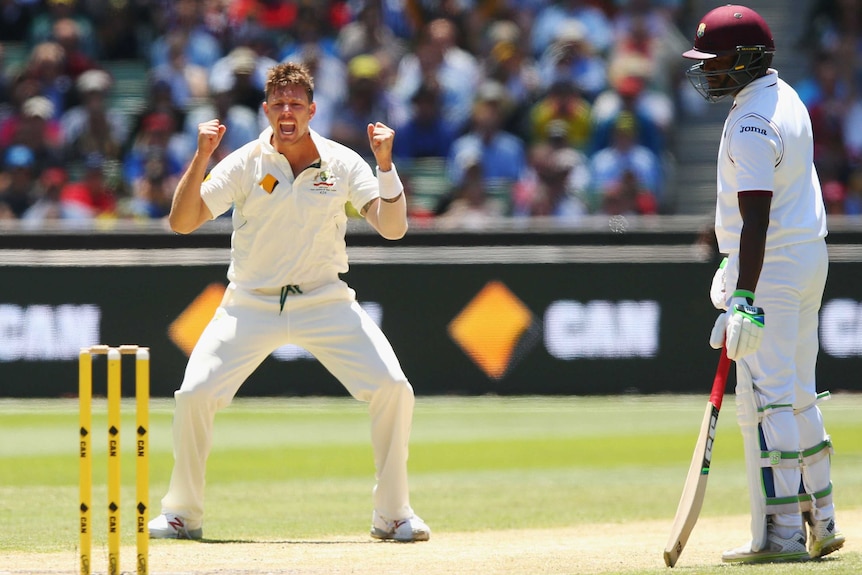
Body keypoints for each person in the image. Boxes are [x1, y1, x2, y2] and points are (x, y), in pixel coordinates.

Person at [147, 62, 431, 543]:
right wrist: (201, 156)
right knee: (195, 395)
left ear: (311, 110)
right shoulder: (244, 161)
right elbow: (182, 221)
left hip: (324, 299)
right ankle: (182, 514)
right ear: (265, 109)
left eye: (295, 104)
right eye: (278, 104)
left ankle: (393, 514)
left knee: (393, 388)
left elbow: (393, 227)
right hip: (249, 303)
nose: (286, 112)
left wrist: (385, 165)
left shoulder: (342, 162)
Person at [682, 4, 845, 564]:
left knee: (772, 400)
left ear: (748, 58)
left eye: (715, 58)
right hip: (804, 257)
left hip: (772, 267)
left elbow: (756, 217)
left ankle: (780, 536)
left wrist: (744, 296)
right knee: (798, 392)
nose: (706, 69)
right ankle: (820, 520)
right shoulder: (785, 96)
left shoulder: (751, 121)